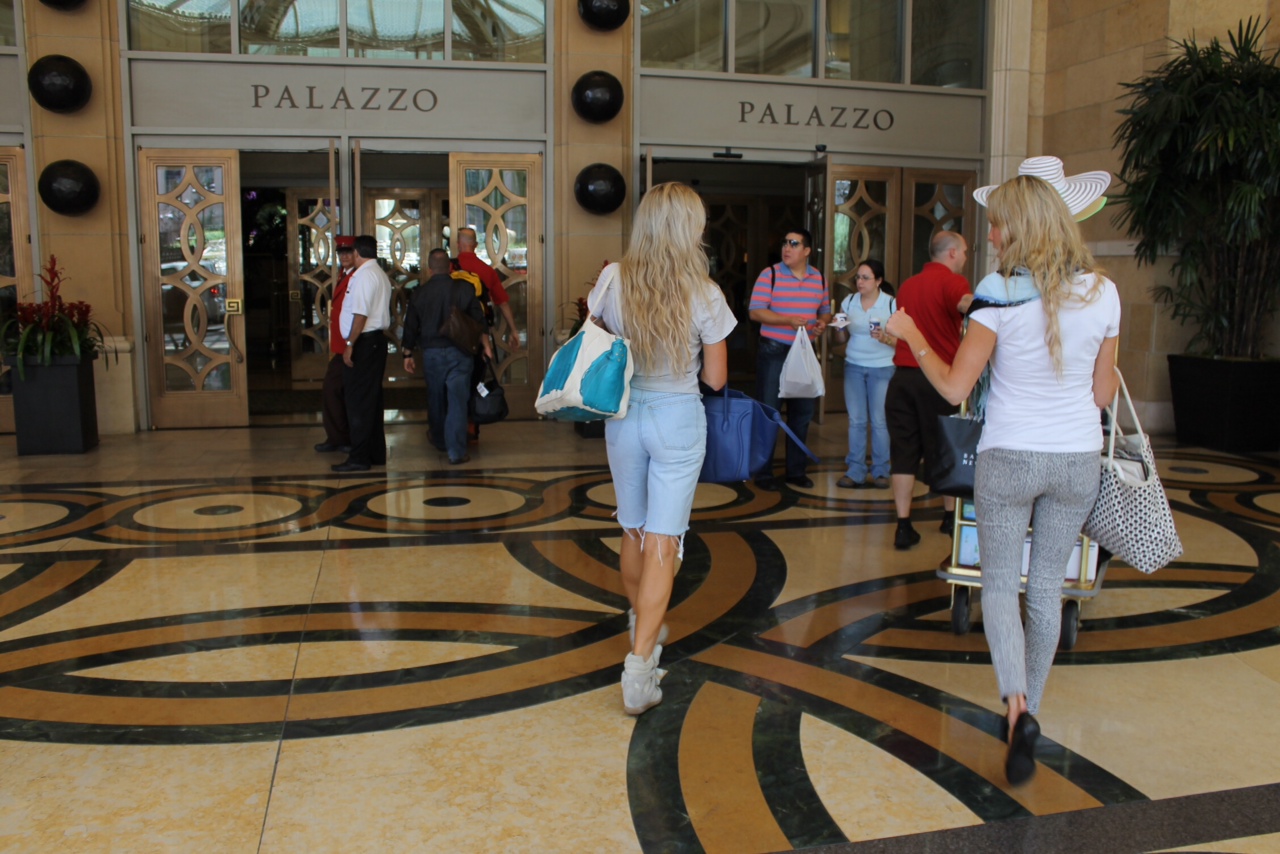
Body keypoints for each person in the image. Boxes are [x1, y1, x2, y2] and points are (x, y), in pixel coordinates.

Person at [886, 165, 1119, 785]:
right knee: (1047, 589)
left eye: (997, 223)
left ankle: (1015, 702)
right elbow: (1100, 394)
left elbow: (956, 387)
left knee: (998, 587)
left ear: (1021, 225)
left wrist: (910, 334)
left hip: (1010, 457)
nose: (989, 234)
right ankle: (1029, 715)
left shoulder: (997, 290)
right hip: (1076, 461)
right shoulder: (1104, 290)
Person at [587, 182, 735, 715]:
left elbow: (595, 339)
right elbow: (716, 379)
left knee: (632, 526)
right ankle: (639, 667)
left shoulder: (613, 278)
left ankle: (640, 621)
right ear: (688, 228)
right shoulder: (705, 291)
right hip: (677, 416)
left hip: (624, 415)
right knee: (664, 543)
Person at [884, 231, 972, 548]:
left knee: (904, 452)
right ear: (950, 253)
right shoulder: (953, 283)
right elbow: (964, 304)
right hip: (937, 379)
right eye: (963, 251)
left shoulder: (907, 285)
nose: (965, 256)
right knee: (945, 448)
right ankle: (949, 518)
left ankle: (903, 525)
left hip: (902, 379)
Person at [748, 229, 831, 490]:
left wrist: (821, 324)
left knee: (802, 413)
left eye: (794, 244)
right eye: (785, 242)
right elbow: (755, 312)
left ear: (807, 251)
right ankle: (762, 473)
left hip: (803, 352)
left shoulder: (818, 278)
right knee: (770, 412)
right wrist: (787, 320)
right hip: (774, 351)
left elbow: (826, 311)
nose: (787, 247)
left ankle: (796, 471)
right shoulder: (769, 275)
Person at [401, 249, 493, 465]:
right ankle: (456, 452)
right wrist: (486, 346)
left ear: (429, 269)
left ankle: (440, 440)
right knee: (457, 402)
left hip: (431, 354)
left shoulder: (419, 293)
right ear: (451, 268)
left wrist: (407, 353)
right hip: (460, 353)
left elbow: (410, 325)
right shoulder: (465, 288)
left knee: (436, 399)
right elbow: (479, 320)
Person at [833, 259, 897, 489]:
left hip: (882, 366)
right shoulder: (849, 302)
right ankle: (856, 469)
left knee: (879, 420)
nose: (860, 282)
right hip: (854, 365)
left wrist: (885, 338)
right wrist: (838, 328)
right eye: (858, 278)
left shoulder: (891, 305)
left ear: (878, 281)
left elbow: (903, 340)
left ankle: (881, 471)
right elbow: (840, 338)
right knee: (857, 420)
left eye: (865, 278)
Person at [333, 235, 393, 473]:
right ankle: (375, 453)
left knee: (358, 402)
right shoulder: (377, 273)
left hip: (365, 343)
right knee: (371, 400)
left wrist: (350, 343)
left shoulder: (364, 276)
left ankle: (359, 457)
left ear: (357, 252)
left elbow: (360, 314)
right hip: (373, 342)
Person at [315, 235, 357, 455]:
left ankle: (340, 437)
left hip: (348, 345)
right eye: (342, 253)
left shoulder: (357, 277)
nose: (345, 256)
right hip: (341, 345)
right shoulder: (343, 274)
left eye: (349, 253)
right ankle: (338, 436)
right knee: (336, 392)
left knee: (333, 390)